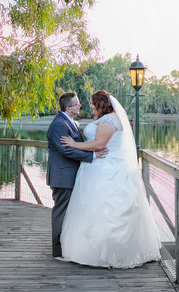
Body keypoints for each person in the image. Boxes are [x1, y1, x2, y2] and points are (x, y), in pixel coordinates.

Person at [58, 90, 161, 268]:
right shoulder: (107, 119)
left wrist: (75, 144)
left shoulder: (109, 120)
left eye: (92, 105)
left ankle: (109, 253)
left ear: (100, 104)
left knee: (107, 208)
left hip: (107, 170)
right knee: (96, 208)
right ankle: (94, 248)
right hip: (98, 168)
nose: (90, 108)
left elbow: (99, 144)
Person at [46, 92, 106, 259]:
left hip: (69, 175)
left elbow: (76, 145)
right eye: (77, 103)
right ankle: (57, 251)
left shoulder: (68, 121)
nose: (80, 106)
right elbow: (65, 149)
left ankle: (67, 246)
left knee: (69, 212)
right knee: (61, 212)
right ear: (68, 108)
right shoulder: (59, 124)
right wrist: (92, 156)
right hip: (63, 176)